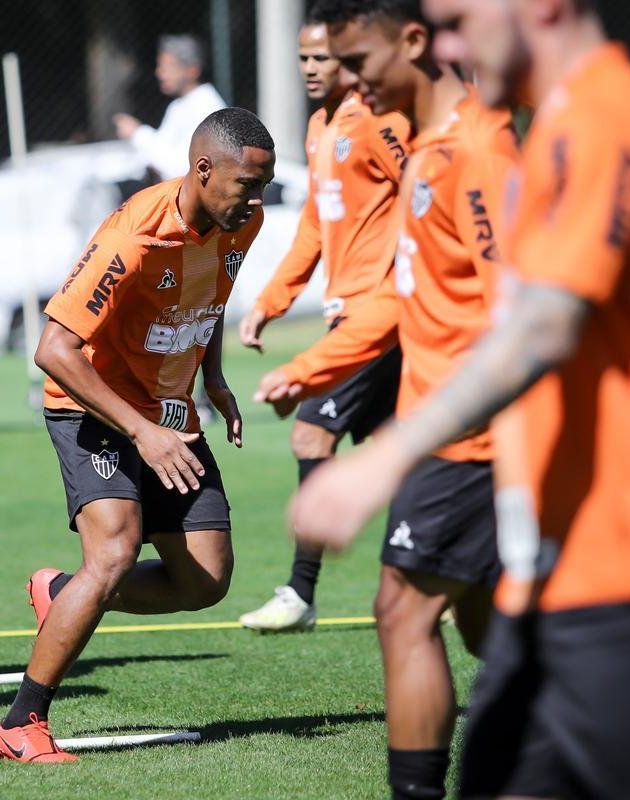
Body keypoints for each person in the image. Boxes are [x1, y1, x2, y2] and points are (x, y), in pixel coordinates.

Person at [293, 0, 630, 796]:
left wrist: (388, 456)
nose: (440, 45)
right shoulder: (552, 131)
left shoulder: (605, 120)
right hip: (561, 584)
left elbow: (543, 326)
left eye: (455, 18)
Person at [273, 1, 517, 795]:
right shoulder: (428, 150)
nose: (346, 81)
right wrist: (313, 365)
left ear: (414, 42)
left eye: (356, 62)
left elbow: (517, 313)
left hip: (473, 435)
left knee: (402, 611)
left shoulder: (478, 148)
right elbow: (405, 301)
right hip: (437, 425)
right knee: (487, 626)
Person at [0, 108, 275, 763]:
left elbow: (211, 300)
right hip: (94, 409)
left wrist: (216, 378)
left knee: (206, 580)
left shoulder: (242, 220)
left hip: (171, 416)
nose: (256, 200)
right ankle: (21, 722)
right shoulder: (132, 236)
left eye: (263, 186)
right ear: (203, 171)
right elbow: (54, 349)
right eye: (247, 185)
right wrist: (143, 431)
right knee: (113, 555)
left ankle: (63, 595)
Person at [237, 12, 409, 633]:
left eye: (323, 58)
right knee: (401, 448)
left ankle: (301, 593)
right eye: (303, 58)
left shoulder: (379, 121)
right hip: (351, 313)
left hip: (379, 314)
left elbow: (423, 190)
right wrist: (272, 299)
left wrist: (406, 281)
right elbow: (316, 223)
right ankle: (445, 567)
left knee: (311, 435)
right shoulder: (319, 127)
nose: (311, 68)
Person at [115, 35, 227, 182]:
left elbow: (178, 170)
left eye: (168, 67)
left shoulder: (205, 107)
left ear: (192, 70)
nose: (160, 73)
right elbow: (159, 153)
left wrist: (137, 133)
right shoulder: (177, 107)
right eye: (160, 67)